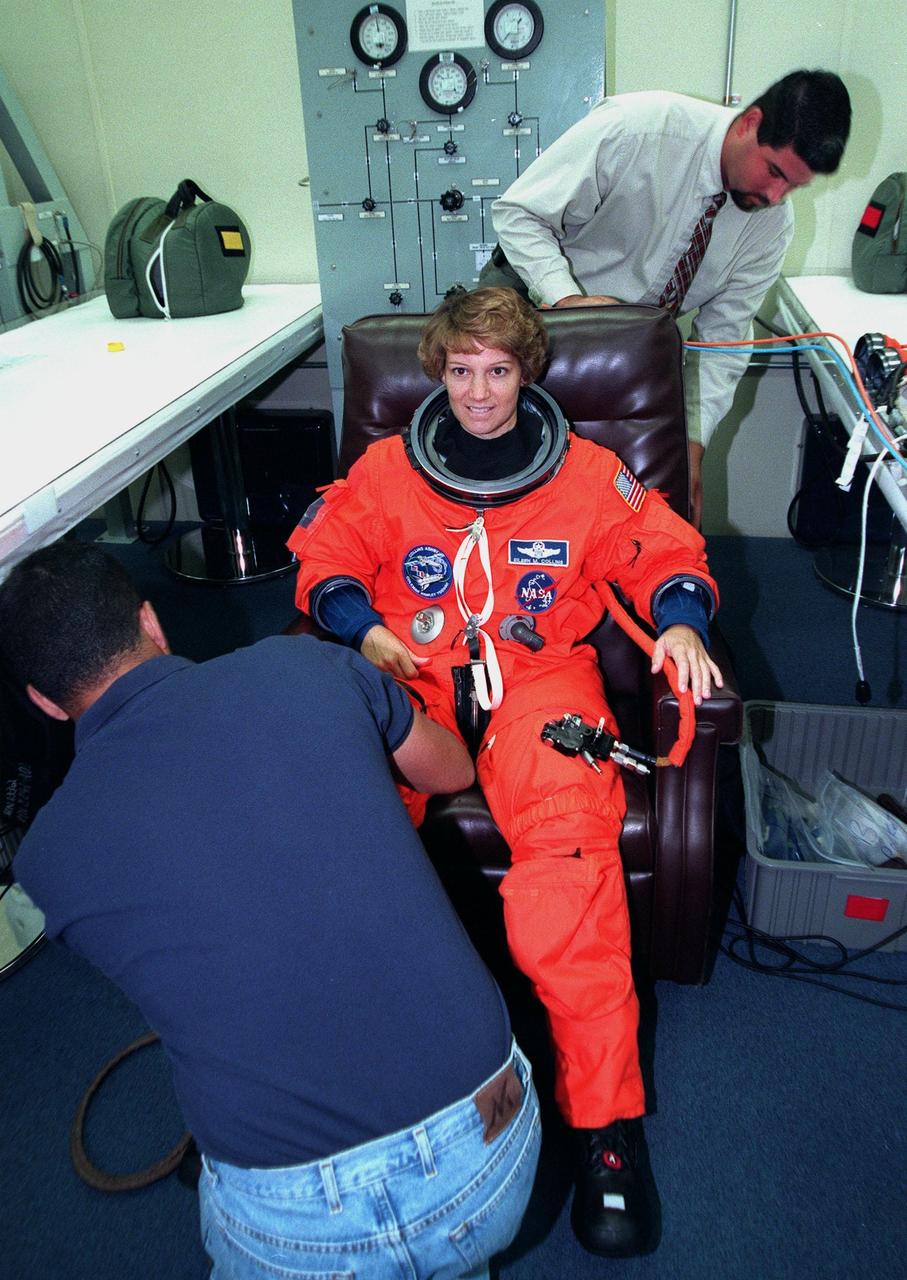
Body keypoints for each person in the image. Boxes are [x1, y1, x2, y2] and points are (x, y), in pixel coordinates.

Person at [287, 286, 723, 1257]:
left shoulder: (585, 473)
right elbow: (326, 557)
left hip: (541, 681)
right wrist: (366, 628)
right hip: (417, 675)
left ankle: (606, 1131)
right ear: (436, 373)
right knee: (335, 839)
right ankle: (294, 1081)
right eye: (459, 370)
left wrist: (683, 616)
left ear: (526, 374)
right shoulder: (389, 470)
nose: (478, 392)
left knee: (570, 854)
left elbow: (661, 550)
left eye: (497, 370)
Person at [0, 541, 541, 1280]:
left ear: (41, 699)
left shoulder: (45, 862)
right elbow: (450, 768)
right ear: (151, 621)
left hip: (299, 1225)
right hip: (492, 1150)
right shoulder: (310, 665)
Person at [478, 69, 852, 526]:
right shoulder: (640, 129)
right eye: (774, 171)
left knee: (617, 494)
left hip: (629, 342)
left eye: (794, 185)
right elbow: (518, 214)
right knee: (505, 477)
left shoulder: (771, 227)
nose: (775, 195)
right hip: (531, 297)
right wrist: (566, 302)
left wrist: (692, 445)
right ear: (750, 122)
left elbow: (722, 343)